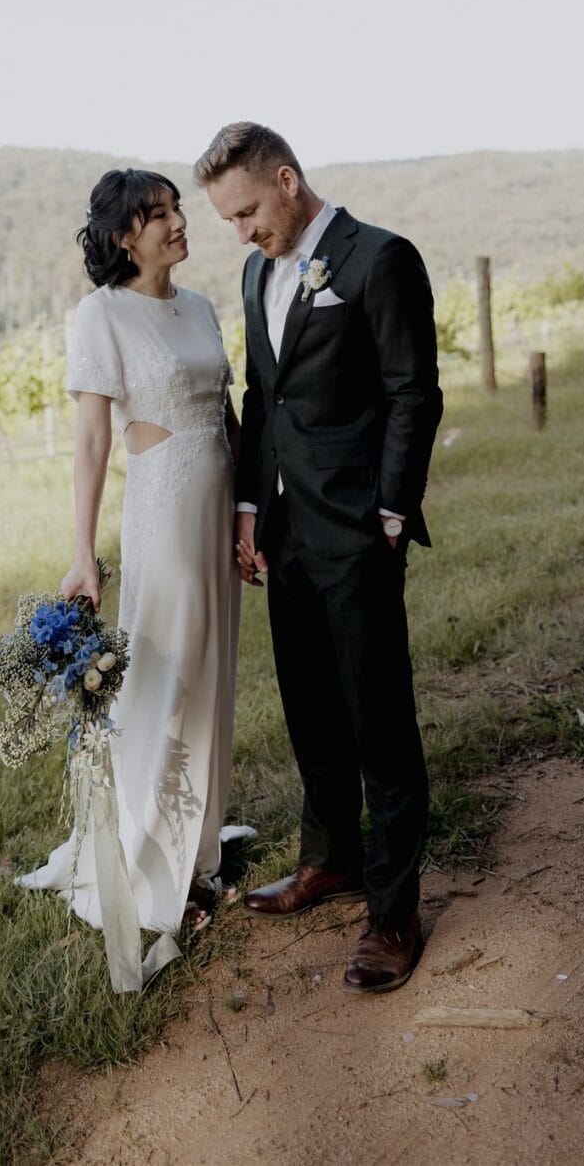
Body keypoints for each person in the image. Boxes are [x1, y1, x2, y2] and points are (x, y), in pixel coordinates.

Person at [195, 122, 443, 994]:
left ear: (287, 182)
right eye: (228, 220)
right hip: (285, 531)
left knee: (378, 714)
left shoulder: (381, 259)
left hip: (358, 529)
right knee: (310, 704)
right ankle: (329, 858)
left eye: (247, 212)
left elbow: (414, 392)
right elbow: (265, 396)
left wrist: (390, 511)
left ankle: (394, 910)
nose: (241, 233)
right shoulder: (256, 272)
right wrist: (250, 508)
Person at [18, 168, 249, 987]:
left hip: (218, 505)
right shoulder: (102, 314)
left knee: (213, 675)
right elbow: (92, 439)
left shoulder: (202, 306)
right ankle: (150, 865)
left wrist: (250, 513)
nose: (179, 222)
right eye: (159, 215)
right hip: (164, 511)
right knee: (164, 678)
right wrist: (83, 552)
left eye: (178, 209)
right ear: (124, 236)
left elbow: (227, 414)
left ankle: (198, 849)